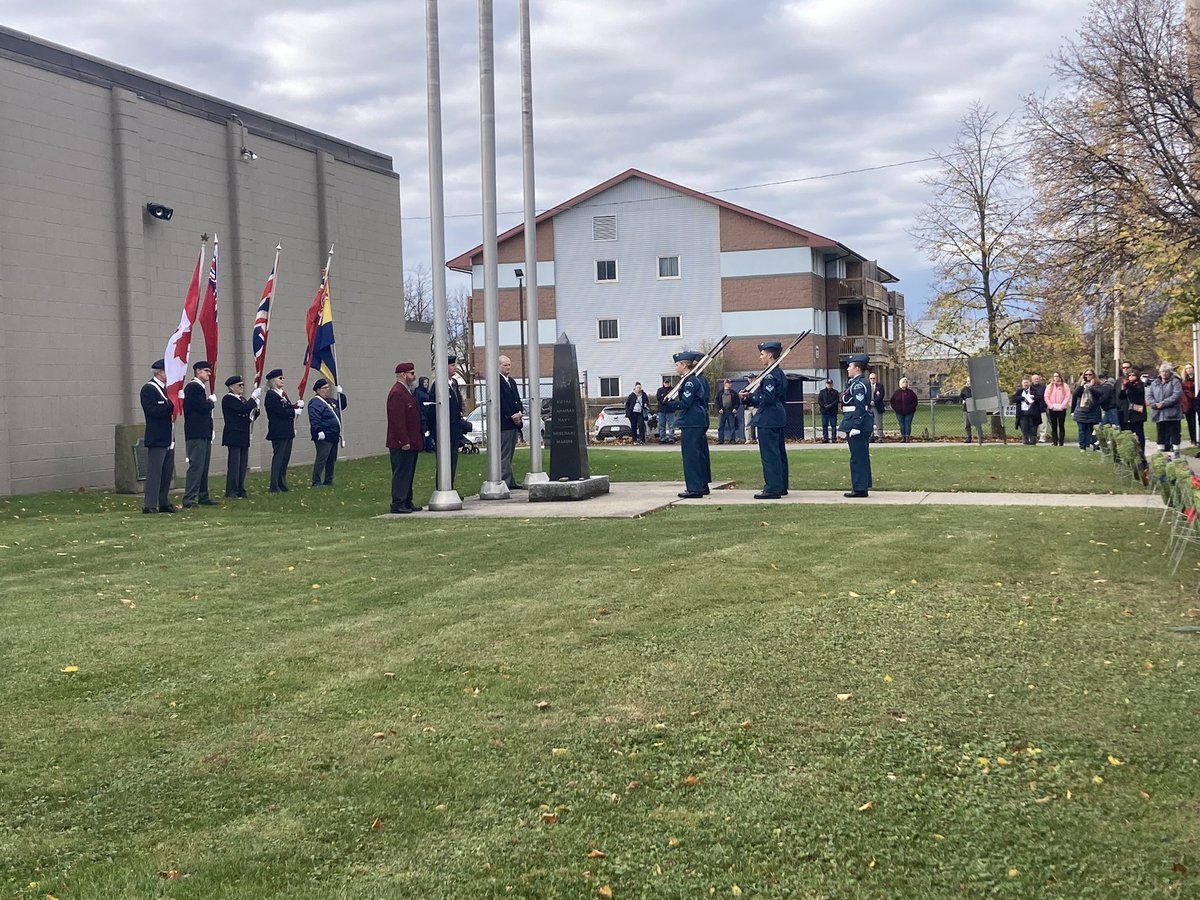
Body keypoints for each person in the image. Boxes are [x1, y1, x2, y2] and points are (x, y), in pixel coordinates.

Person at [740, 342, 788, 499]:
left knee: (770, 454)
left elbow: (767, 398)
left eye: (762, 354)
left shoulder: (769, 375)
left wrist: (750, 396)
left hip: (768, 418)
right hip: (777, 416)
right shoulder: (778, 373)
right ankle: (780, 485)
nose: (760, 357)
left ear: (769, 355)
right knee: (779, 453)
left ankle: (772, 488)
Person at [140, 358, 177, 514]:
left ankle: (163, 501)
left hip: (168, 436)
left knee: (166, 472)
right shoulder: (149, 389)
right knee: (155, 472)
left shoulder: (166, 389)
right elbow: (153, 411)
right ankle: (150, 504)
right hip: (157, 437)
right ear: (160, 372)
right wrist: (171, 405)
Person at [672, 351, 711, 498]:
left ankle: (694, 488)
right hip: (696, 420)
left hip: (692, 421)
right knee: (698, 454)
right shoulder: (692, 379)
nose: (676, 368)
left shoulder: (689, 381)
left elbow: (686, 403)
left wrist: (671, 405)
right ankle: (701, 485)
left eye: (677, 365)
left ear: (684, 365)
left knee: (691, 455)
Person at [386, 362, 423, 513]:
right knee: (401, 473)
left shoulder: (407, 391)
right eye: (411, 373)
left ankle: (407, 500)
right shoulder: (397, 393)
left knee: (409, 473)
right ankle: (398, 502)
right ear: (402, 375)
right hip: (401, 443)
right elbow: (397, 420)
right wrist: (404, 441)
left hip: (411, 441)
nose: (414, 376)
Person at [182, 360, 217, 507]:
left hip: (203, 432)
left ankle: (203, 496)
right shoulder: (193, 387)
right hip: (196, 432)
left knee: (203, 465)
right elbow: (201, 407)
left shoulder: (199, 387)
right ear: (197, 371)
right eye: (206, 371)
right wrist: (210, 402)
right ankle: (189, 498)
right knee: (196, 465)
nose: (209, 373)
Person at [432, 355, 469, 488]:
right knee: (444, 461)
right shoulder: (438, 385)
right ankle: (443, 487)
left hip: (454, 430)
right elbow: (432, 410)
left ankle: (450, 486)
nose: (455, 368)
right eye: (452, 366)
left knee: (453, 460)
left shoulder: (454, 383)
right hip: (444, 430)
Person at [264, 368, 303, 492]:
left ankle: (282, 483)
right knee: (279, 458)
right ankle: (274, 485)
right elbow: (279, 411)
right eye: (280, 378)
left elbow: (286, 407)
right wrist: (294, 411)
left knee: (285, 458)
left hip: (287, 430)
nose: (282, 380)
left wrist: (296, 405)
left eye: (283, 378)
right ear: (273, 381)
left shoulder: (282, 394)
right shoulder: (271, 395)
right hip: (278, 431)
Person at [839, 354, 873, 497]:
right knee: (860, 456)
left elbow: (859, 407)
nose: (848, 368)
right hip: (854, 420)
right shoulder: (854, 383)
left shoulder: (858, 385)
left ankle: (860, 488)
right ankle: (861, 485)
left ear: (857, 368)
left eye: (850, 366)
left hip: (856, 422)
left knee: (857, 457)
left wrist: (856, 426)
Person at [221, 375, 259, 499]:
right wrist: (253, 398)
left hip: (243, 434)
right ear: (231, 387)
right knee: (234, 464)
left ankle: (240, 489)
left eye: (243, 385)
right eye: (239, 385)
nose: (242, 387)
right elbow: (242, 409)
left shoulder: (242, 399)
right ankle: (231, 490)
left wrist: (255, 409)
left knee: (242, 464)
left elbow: (248, 414)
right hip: (234, 434)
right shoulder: (228, 399)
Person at [308, 378, 347, 487]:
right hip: (324, 435)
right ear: (318, 390)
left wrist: (341, 395)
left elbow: (341, 406)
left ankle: (328, 480)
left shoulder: (329, 401)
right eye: (324, 388)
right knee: (322, 458)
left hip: (333, 434)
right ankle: (316, 481)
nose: (327, 390)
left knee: (331, 459)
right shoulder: (315, 402)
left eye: (327, 387)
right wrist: (319, 430)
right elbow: (314, 418)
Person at [498, 355, 524, 489]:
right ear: (499, 366)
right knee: (504, 454)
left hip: (514, 423)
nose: (508, 367)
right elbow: (501, 402)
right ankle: (505, 481)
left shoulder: (512, 381)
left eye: (509, 365)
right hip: (505, 424)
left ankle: (511, 480)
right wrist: (511, 415)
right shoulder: (497, 381)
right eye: (505, 365)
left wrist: (519, 412)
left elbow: (517, 399)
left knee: (510, 454)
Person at [1147, 361, 1184, 452]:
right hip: (1159, 414)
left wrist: (1164, 403)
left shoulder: (1175, 382)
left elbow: (1177, 395)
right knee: (1160, 433)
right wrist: (1154, 403)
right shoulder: (1155, 383)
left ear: (1170, 372)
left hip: (1172, 414)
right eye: (1162, 371)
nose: (1164, 373)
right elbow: (1149, 395)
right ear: (1159, 372)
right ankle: (1161, 452)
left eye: (1166, 371)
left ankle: (1176, 452)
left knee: (1174, 433)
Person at [1071, 368, 1102, 452]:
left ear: (1093, 375)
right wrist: (1081, 386)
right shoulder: (1080, 384)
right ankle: (1082, 447)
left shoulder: (1097, 384)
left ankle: (1093, 445)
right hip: (1081, 411)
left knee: (1093, 430)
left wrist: (1091, 387)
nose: (1088, 376)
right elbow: (1075, 394)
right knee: (1082, 430)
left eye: (1090, 374)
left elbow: (1099, 394)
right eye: (1086, 375)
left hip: (1093, 411)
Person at [1120, 367, 1147, 456]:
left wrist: (1129, 385)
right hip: (1129, 411)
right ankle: (1132, 451)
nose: (1131, 377)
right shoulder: (1127, 386)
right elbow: (1121, 396)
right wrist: (1123, 389)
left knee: (1139, 431)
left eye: (1133, 375)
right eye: (1129, 375)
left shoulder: (1139, 385)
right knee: (1129, 432)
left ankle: (1141, 450)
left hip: (1138, 411)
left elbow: (1138, 394)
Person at [1042, 372, 1071, 447]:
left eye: (1057, 376)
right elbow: (1046, 396)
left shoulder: (1065, 386)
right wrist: (1050, 406)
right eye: (1055, 376)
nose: (1056, 378)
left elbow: (1067, 396)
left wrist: (1062, 406)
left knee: (1061, 425)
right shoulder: (1049, 386)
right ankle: (1055, 442)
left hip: (1062, 408)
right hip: (1052, 408)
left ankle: (1061, 442)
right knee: (1054, 426)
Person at [1011, 377, 1042, 446]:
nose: (1026, 384)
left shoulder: (1034, 390)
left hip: (1033, 413)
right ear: (1022, 384)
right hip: (1023, 413)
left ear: (1030, 383)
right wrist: (1023, 398)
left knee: (1033, 429)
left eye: (1027, 382)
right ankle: (1026, 442)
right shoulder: (1019, 391)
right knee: (1024, 428)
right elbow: (1014, 398)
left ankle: (1033, 442)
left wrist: (1032, 397)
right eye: (1024, 383)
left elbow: (1040, 398)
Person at [889, 377, 919, 443]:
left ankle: (907, 437)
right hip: (899, 412)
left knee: (907, 424)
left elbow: (915, 401)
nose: (904, 383)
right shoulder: (897, 393)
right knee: (902, 425)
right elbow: (892, 401)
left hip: (909, 412)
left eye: (906, 382)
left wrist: (911, 408)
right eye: (903, 382)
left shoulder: (911, 393)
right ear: (900, 383)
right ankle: (903, 437)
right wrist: (896, 408)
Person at [714, 378, 741, 444]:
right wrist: (719, 409)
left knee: (732, 426)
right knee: (721, 426)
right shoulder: (720, 393)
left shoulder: (733, 393)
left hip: (730, 412)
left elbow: (737, 402)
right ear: (725, 384)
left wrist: (735, 408)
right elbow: (716, 402)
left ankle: (732, 439)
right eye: (729, 383)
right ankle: (720, 440)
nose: (730, 384)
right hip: (722, 412)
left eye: (730, 383)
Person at [414, 376, 434, 452]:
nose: (426, 384)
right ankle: (423, 447)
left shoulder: (427, 392)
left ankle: (428, 447)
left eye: (427, 382)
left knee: (428, 432)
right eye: (424, 382)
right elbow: (417, 404)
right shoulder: (418, 392)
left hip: (428, 415)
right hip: (422, 416)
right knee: (424, 432)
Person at [817, 378, 840, 443]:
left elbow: (836, 401)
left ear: (832, 384)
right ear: (826, 384)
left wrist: (830, 405)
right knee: (824, 426)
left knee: (833, 426)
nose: (829, 385)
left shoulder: (835, 392)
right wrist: (824, 405)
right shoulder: (822, 392)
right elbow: (819, 400)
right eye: (828, 384)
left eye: (830, 384)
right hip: (824, 411)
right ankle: (825, 438)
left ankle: (834, 438)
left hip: (832, 412)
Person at [655, 376, 677, 444]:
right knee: (662, 425)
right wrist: (664, 401)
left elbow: (673, 398)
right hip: (662, 410)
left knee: (671, 425)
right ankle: (662, 438)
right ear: (663, 383)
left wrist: (668, 402)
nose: (667, 384)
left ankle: (671, 438)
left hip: (670, 410)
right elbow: (659, 398)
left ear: (670, 383)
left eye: (668, 382)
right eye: (665, 382)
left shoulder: (673, 390)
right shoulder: (660, 390)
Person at [1181, 363, 1197, 447]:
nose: (1189, 370)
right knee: (1190, 422)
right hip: (1188, 404)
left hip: (1196, 403)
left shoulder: (1197, 378)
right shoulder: (1184, 381)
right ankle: (1193, 439)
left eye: (1190, 368)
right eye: (1187, 368)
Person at [868, 371, 885, 441]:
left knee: (878, 423)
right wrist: (870, 402)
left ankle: (880, 437)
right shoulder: (867, 386)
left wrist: (874, 401)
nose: (872, 379)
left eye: (874, 378)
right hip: (869, 407)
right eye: (871, 378)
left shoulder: (880, 386)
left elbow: (881, 395)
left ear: (876, 379)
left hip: (877, 406)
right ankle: (871, 437)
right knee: (869, 423)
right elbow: (866, 396)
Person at [960, 377, 975, 443]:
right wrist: (963, 401)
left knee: (978, 424)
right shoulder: (964, 389)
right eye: (968, 381)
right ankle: (968, 438)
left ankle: (981, 437)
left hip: (975, 408)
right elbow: (960, 397)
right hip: (967, 409)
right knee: (967, 424)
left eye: (970, 381)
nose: (969, 382)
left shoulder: (975, 388)